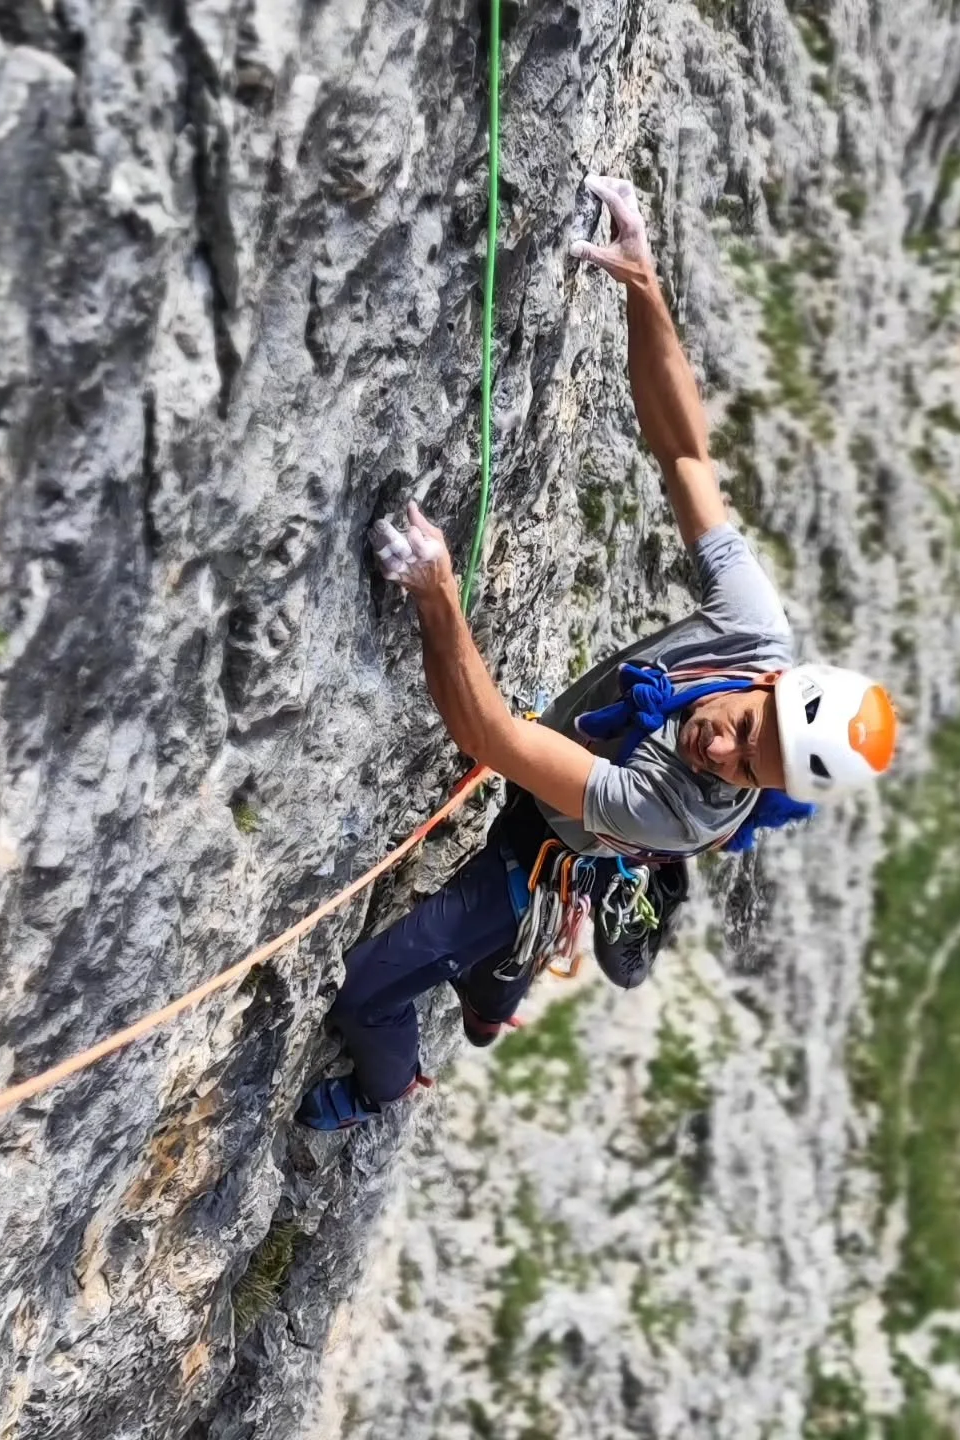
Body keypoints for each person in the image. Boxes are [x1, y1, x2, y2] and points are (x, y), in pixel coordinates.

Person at [297, 176, 899, 1129]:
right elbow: (686, 456)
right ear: (773, 680)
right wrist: (644, 287)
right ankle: (491, 997)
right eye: (745, 728)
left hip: (549, 841)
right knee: (492, 964)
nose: (720, 750)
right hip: (570, 782)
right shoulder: (752, 629)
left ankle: (387, 1087)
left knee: (371, 985)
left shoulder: (675, 809)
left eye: (747, 769)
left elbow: (494, 740)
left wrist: (435, 592)